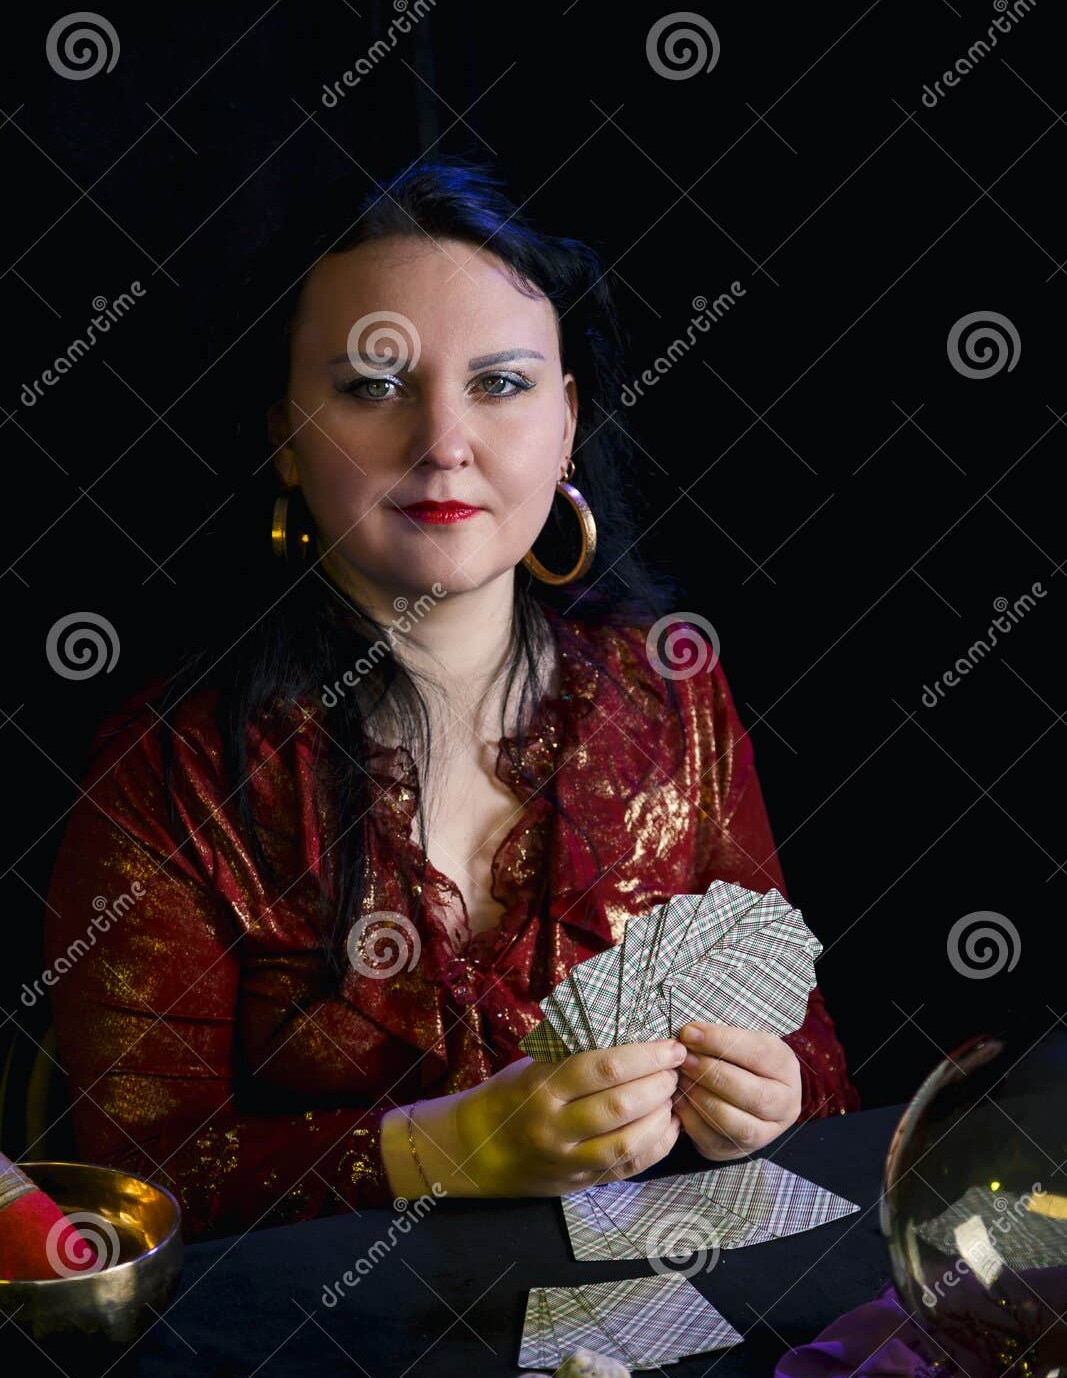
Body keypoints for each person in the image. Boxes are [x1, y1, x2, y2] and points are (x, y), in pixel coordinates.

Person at [44, 157, 861, 1244]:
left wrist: (775, 1092)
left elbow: (817, 1059)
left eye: (500, 383)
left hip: (653, 1336)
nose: (442, 445)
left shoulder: (669, 696)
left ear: (565, 422)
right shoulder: (171, 768)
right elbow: (129, 1184)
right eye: (372, 386)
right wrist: (442, 1146)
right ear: (285, 433)